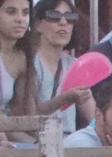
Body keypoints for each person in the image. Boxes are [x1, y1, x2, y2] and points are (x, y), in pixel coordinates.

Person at [30, 0, 93, 135]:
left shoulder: (76, 65)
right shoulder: (30, 63)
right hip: (35, 142)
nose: (63, 22)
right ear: (37, 24)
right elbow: (29, 113)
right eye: (54, 16)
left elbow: (92, 116)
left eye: (70, 18)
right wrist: (63, 100)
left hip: (69, 143)